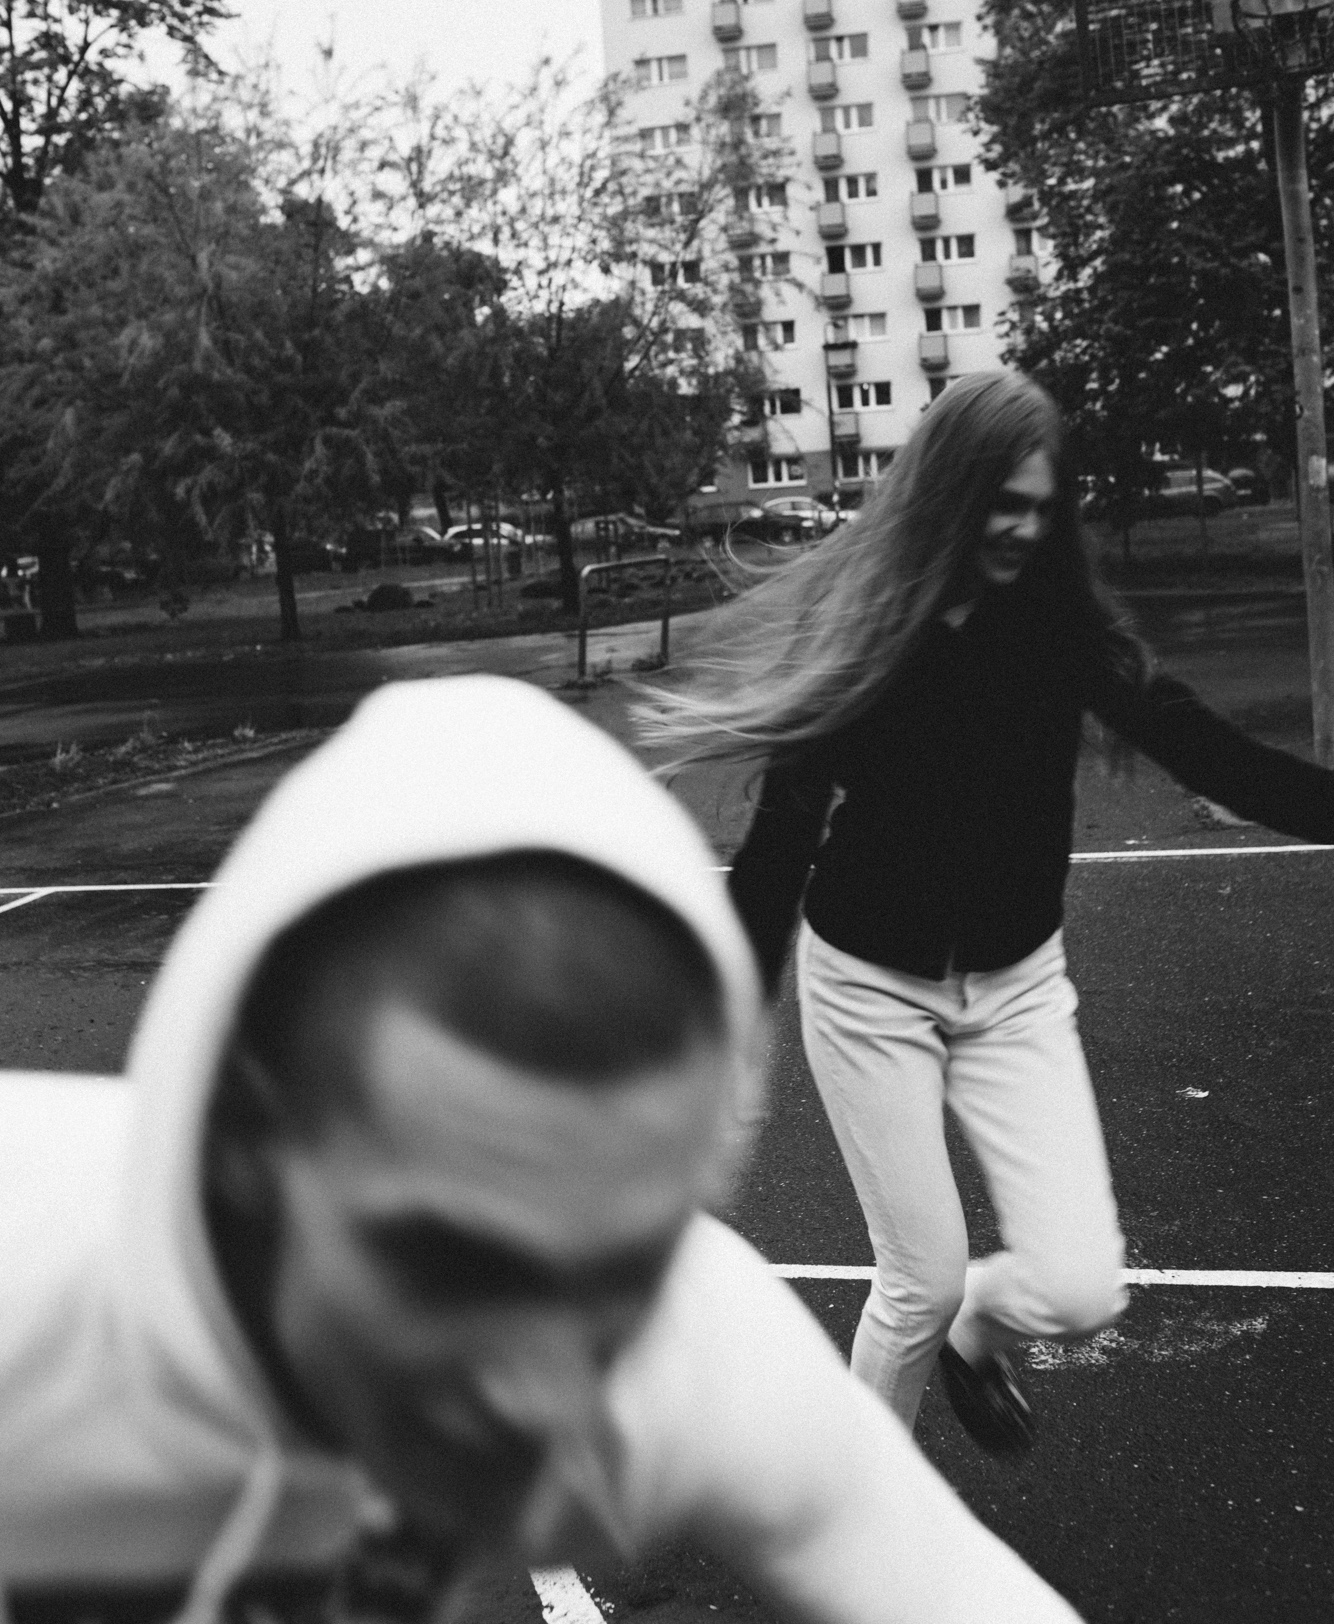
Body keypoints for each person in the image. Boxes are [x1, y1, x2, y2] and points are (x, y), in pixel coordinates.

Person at [0, 673, 1084, 1624]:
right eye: (449, 1265)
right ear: (240, 1144)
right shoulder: (30, 1291)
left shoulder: (676, 1344)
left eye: (624, 1268)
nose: (544, 1398)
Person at [644, 371, 1334, 1455]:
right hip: (869, 989)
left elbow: (1214, 756)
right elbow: (781, 841)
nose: (1022, 527)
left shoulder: (1059, 627)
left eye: (1040, 507)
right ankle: (865, 1505)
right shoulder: (866, 627)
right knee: (916, 1280)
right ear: (950, 494)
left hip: (1015, 987)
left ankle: (981, 1330)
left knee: (1079, 1291)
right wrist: (721, 1022)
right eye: (1002, 504)